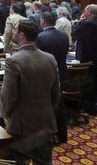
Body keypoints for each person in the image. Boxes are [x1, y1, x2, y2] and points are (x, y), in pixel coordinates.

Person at [0, 20, 60, 165]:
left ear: (21, 34)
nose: (12, 33)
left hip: (22, 125)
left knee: (20, 161)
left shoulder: (14, 61)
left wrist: (5, 116)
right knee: (45, 161)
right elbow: (56, 92)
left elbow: (8, 95)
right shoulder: (50, 58)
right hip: (45, 121)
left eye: (15, 31)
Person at [35, 11, 69, 143]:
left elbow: (38, 58)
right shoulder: (64, 35)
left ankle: (47, 134)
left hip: (46, 75)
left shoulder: (41, 37)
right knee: (59, 104)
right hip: (62, 72)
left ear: (43, 21)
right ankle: (62, 134)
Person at [72, 4, 97, 107]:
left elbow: (74, 34)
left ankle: (88, 103)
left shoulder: (86, 23)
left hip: (87, 54)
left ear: (88, 12)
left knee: (88, 79)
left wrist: (79, 21)